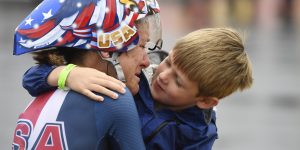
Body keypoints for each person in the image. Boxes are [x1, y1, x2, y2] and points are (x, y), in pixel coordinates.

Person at [21, 27, 253, 149]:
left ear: (204, 101)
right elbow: (32, 79)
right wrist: (67, 74)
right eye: (169, 62)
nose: (162, 75)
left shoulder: (197, 135)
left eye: (178, 81)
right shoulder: (134, 75)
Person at [12, 0, 161, 149]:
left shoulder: (46, 89)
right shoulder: (115, 98)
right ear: (107, 49)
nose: (146, 61)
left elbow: (31, 77)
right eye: (141, 46)